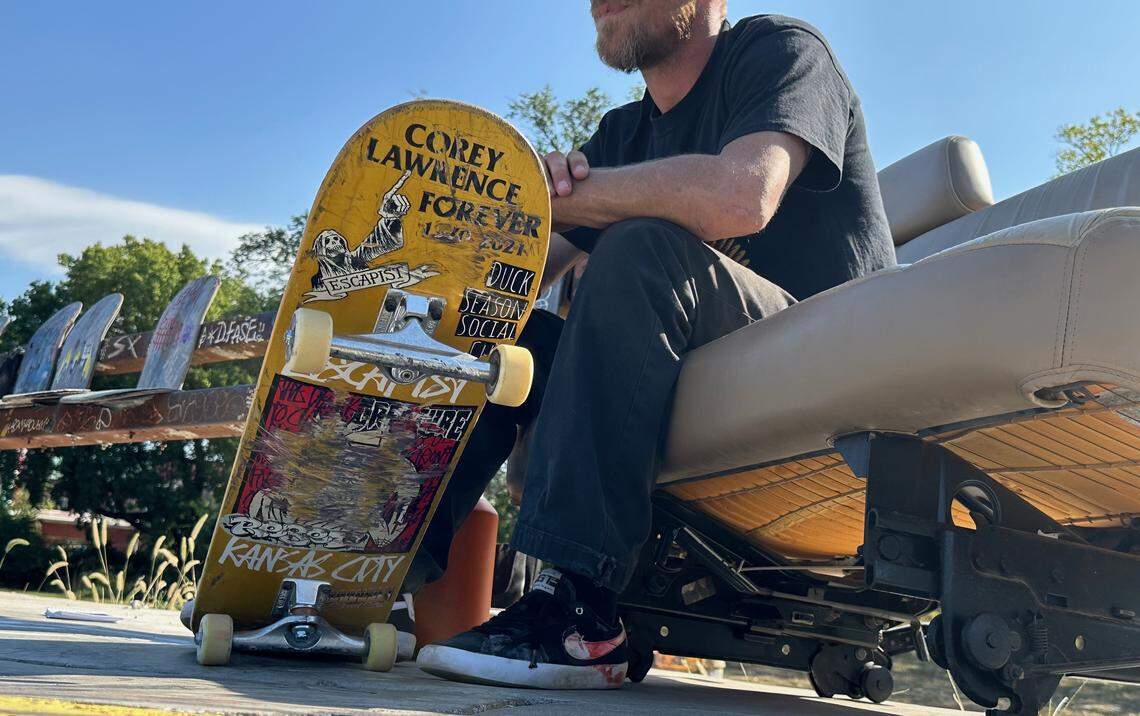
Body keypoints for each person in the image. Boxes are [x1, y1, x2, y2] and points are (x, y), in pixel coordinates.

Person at [413, 0, 896, 689]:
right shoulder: (623, 132)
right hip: (684, 368)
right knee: (504, 336)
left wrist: (559, 199)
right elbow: (519, 273)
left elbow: (744, 195)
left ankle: (581, 617)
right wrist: (430, 296)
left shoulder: (781, 52)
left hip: (828, 363)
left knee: (639, 249)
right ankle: (371, 576)